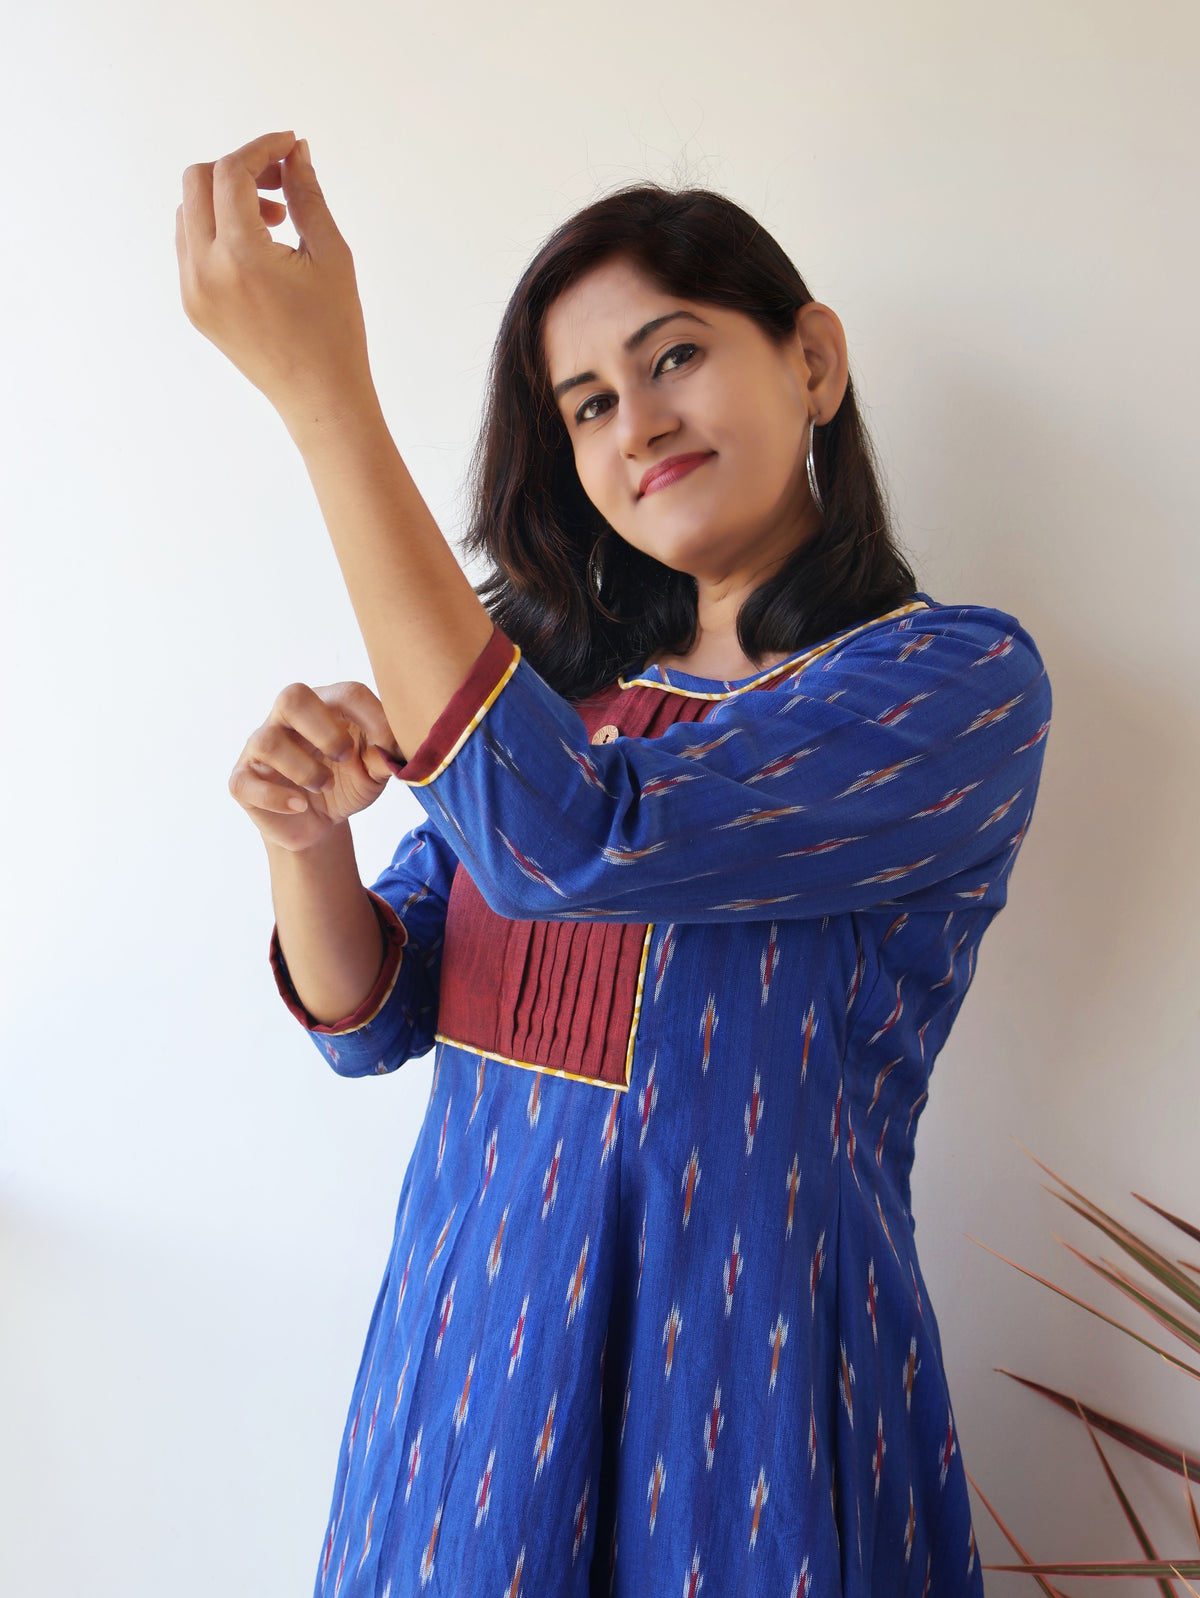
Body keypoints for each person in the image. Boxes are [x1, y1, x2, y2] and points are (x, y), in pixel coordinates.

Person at [177, 130, 1052, 1596]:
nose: (635, 422)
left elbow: (572, 840)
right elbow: (377, 1013)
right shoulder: (545, 698)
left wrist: (327, 402)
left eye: (673, 358)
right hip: (465, 1403)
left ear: (813, 360)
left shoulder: (948, 687)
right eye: (588, 404)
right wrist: (306, 839)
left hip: (743, 1412)